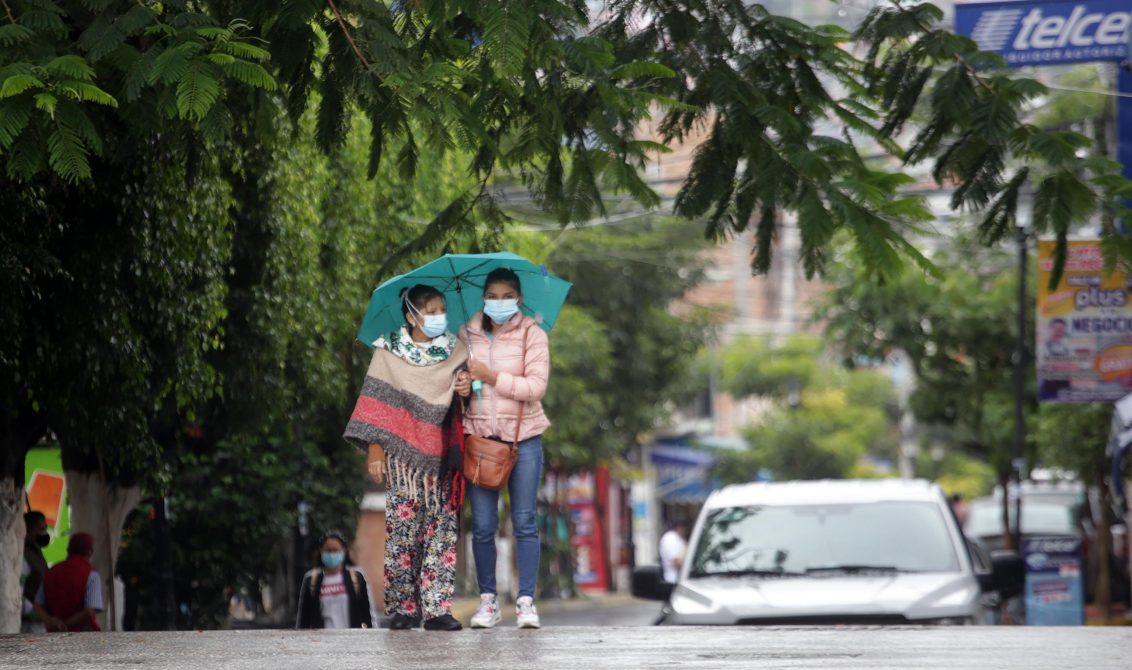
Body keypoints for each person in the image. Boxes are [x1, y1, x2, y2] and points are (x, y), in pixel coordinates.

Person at [344, 284, 468, 631]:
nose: (437, 316)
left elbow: (471, 397)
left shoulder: (457, 350)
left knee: (441, 536)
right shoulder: (388, 352)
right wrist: (375, 450)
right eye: (430, 309)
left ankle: (438, 610)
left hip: (444, 463)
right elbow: (375, 407)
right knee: (402, 536)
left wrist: (466, 386)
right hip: (403, 466)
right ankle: (404, 608)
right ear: (411, 314)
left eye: (441, 308)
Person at [455, 268, 551, 630]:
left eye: (505, 295)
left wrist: (492, 377)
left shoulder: (533, 335)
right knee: (481, 525)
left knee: (524, 521)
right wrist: (463, 384)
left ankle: (526, 602)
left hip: (523, 438)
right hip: (479, 439)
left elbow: (536, 388)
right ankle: (488, 601)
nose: (498, 302)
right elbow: (457, 382)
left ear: (519, 298)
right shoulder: (466, 334)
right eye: (491, 296)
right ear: (483, 297)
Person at [295, 530, 377, 629]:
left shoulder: (356, 578)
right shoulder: (311, 580)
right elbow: (303, 619)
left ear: (344, 551)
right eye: (328, 551)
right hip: (322, 641)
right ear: (321, 551)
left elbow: (368, 614)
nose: (332, 554)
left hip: (352, 641)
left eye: (336, 550)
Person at [34, 532, 103, 632]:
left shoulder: (51, 572)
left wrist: (50, 621)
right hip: (83, 636)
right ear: (90, 552)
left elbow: (37, 605)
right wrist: (66, 624)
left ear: (68, 549)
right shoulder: (91, 575)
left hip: (54, 634)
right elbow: (89, 611)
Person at [21, 511, 50, 633]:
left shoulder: (36, 551)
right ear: (27, 530)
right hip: (27, 623)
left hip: (39, 620)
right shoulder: (22, 555)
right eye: (40, 529)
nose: (44, 533)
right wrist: (33, 612)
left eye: (45, 528)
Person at [659, 519, 689, 584]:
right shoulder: (671, 539)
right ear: (679, 527)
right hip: (673, 579)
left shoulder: (679, 538)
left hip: (680, 578)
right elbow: (675, 562)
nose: (685, 531)